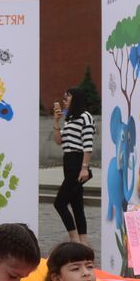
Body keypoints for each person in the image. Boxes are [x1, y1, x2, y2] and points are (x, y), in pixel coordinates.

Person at [52, 87, 95, 243]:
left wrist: (84, 167)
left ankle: (74, 239)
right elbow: (59, 141)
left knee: (59, 203)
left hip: (77, 161)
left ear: (75, 99)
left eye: (66, 97)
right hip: (68, 160)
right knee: (77, 205)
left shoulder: (85, 117)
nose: (63, 101)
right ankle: (84, 242)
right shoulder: (70, 118)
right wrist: (56, 121)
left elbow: (88, 144)